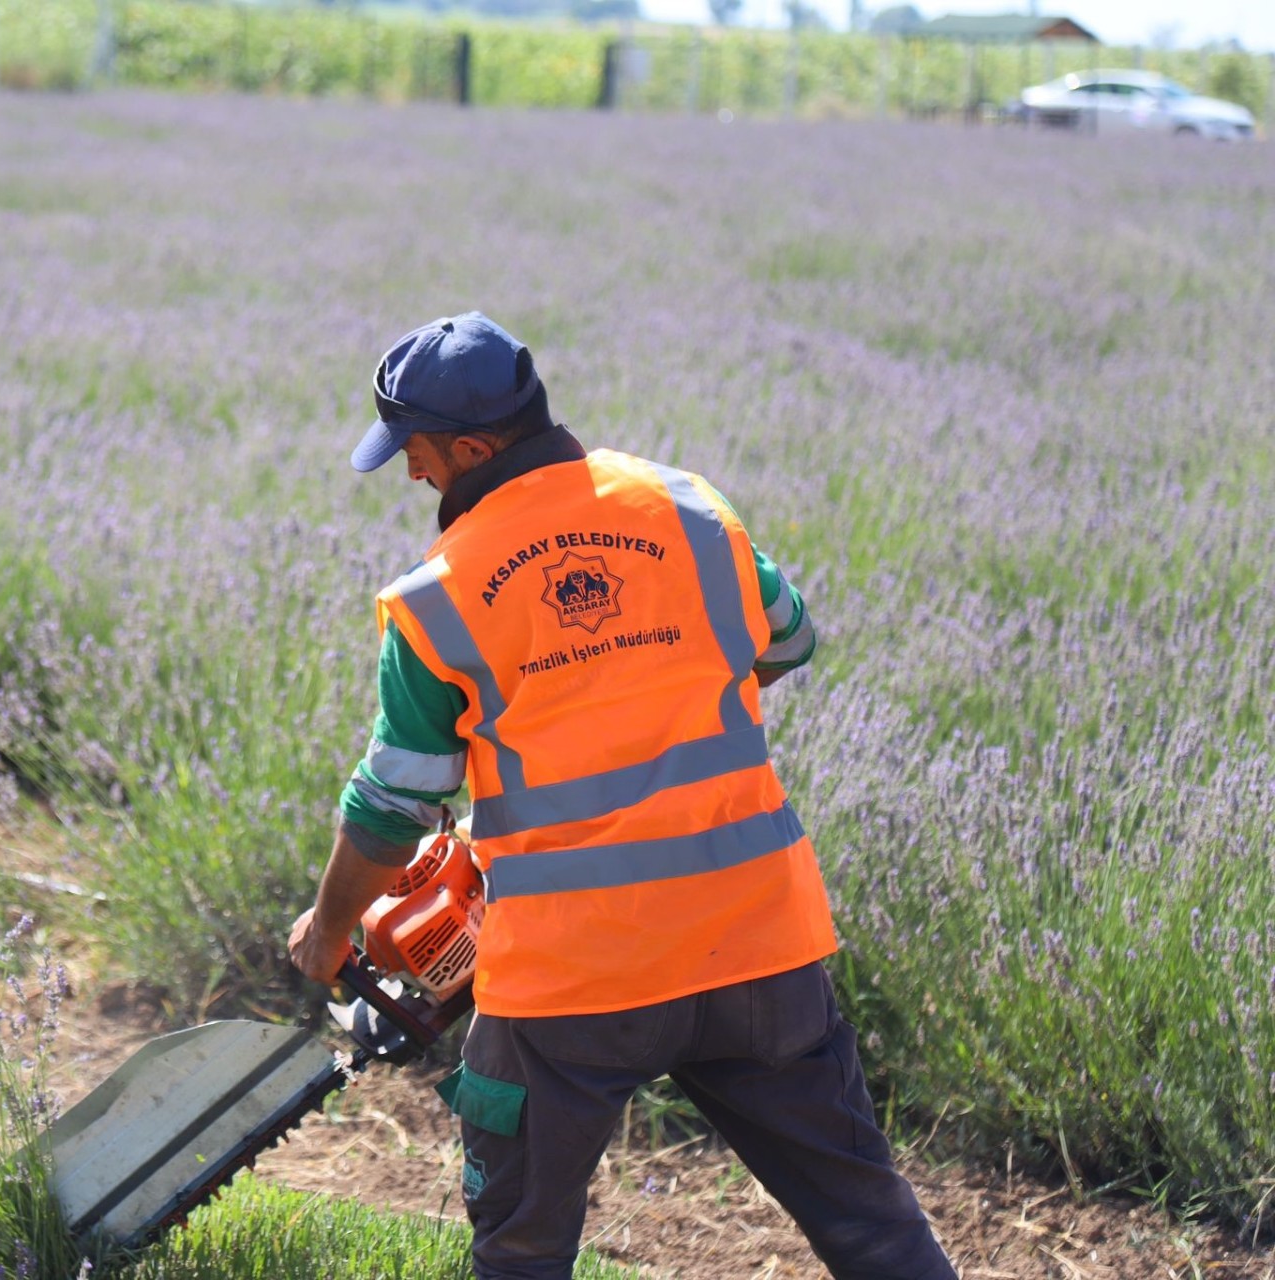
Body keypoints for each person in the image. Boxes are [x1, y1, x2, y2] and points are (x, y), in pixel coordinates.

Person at [288, 313, 956, 1280]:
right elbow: (785, 642)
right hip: (757, 944)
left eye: (419, 453)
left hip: (572, 973)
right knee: (871, 1228)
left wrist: (329, 928)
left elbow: (395, 803)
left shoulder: (440, 593)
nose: (413, 475)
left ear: (472, 448)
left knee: (523, 1250)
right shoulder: (687, 508)